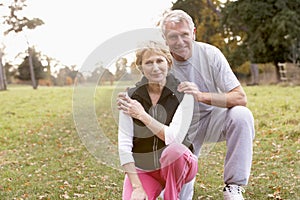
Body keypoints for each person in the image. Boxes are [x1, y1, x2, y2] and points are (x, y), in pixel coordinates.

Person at [118, 10, 255, 200]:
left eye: (184, 34)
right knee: (179, 195)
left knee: (241, 115)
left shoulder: (210, 54)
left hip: (211, 119)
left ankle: (233, 186)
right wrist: (128, 96)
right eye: (173, 36)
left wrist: (201, 96)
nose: (180, 41)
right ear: (165, 39)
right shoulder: (163, 59)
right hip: (181, 129)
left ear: (194, 33)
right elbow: (147, 78)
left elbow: (240, 97)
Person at [117, 41, 198, 200]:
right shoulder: (130, 98)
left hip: (177, 164)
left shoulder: (184, 94)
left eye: (159, 61)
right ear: (141, 67)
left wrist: (142, 115)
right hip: (145, 170)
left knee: (174, 151)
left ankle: (171, 195)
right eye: (148, 62)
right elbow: (124, 145)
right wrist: (137, 187)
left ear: (168, 63)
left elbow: (173, 138)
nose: (155, 67)